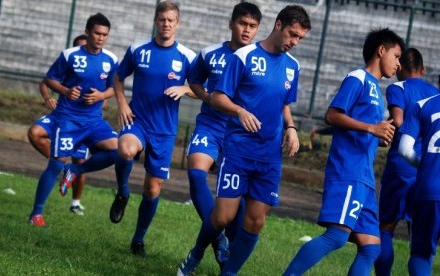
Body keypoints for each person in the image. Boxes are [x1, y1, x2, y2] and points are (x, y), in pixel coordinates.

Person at [177, 5, 310, 275]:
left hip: (270, 155)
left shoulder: (293, 67)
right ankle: (197, 253)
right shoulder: (244, 57)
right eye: (292, 35)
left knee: (255, 222)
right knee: (223, 216)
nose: (295, 42)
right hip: (238, 149)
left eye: (300, 39)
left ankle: (229, 273)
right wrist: (240, 111)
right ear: (279, 25)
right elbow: (218, 96)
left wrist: (292, 127)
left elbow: (285, 102)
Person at [283, 28, 404, 276]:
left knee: (371, 247)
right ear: (381, 51)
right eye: (396, 55)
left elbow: (363, 129)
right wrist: (372, 128)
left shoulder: (376, 90)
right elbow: (332, 115)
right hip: (349, 172)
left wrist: (378, 137)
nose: (398, 63)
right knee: (337, 236)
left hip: (365, 178)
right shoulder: (357, 78)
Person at [110, 1, 196, 257]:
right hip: (137, 120)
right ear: (155, 21)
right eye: (162, 19)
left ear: (177, 23)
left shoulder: (188, 57)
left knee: (152, 189)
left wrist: (185, 89)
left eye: (171, 20)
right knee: (125, 150)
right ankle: (123, 191)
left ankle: (138, 240)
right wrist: (122, 103)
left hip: (165, 131)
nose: (166, 24)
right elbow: (117, 77)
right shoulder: (138, 49)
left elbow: (207, 90)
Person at [29, 13, 129, 227]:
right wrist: (65, 90)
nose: (101, 38)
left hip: (94, 121)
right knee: (56, 165)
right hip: (68, 120)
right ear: (87, 31)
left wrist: (102, 96)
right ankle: (36, 214)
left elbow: (115, 87)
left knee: (119, 149)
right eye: (97, 33)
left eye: (105, 34)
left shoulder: (111, 59)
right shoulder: (70, 55)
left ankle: (77, 170)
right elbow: (49, 79)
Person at [186, 2, 262, 267]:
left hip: (240, 136)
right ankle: (216, 238)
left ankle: (226, 245)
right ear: (231, 23)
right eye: (242, 24)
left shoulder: (261, 59)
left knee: (237, 207)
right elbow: (194, 79)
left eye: (252, 26)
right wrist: (206, 96)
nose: (246, 30)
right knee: (196, 173)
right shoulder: (210, 54)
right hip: (210, 126)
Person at [374, 48, 439, 276]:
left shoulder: (398, 88)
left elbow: (399, 122)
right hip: (427, 170)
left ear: (399, 68)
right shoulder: (432, 92)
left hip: (404, 167)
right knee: (420, 235)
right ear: (423, 70)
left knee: (386, 227)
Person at [28, 34, 90, 216]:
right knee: (34, 133)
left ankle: (76, 203)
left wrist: (93, 99)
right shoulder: (68, 63)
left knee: (79, 161)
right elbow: (45, 82)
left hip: (82, 120)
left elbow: (104, 101)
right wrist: (48, 97)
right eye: (78, 47)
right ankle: (60, 167)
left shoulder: (96, 70)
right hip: (60, 115)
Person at [398, 89, 440, 276]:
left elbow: (405, 150)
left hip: (429, 188)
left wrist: (425, 167)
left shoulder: (422, 106)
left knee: (421, 254)